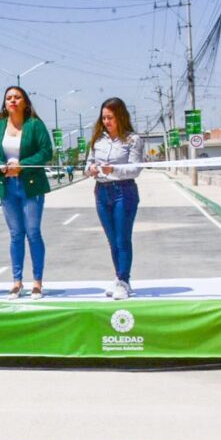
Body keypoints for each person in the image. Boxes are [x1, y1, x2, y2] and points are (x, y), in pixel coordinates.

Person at [0, 86, 52, 300]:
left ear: (25, 102)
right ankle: (17, 282)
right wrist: (2, 165)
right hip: (8, 186)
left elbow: (46, 152)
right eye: (9, 98)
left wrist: (22, 165)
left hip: (31, 185)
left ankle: (37, 282)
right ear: (4, 103)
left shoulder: (35, 125)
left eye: (17, 97)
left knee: (33, 232)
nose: (12, 101)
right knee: (16, 234)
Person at [85, 97, 143, 301]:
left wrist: (114, 169)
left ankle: (123, 280)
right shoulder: (97, 140)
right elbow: (88, 164)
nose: (106, 122)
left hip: (124, 191)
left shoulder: (132, 139)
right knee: (112, 240)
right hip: (102, 191)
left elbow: (135, 169)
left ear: (120, 116)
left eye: (110, 117)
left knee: (122, 238)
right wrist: (91, 169)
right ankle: (120, 278)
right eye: (103, 118)